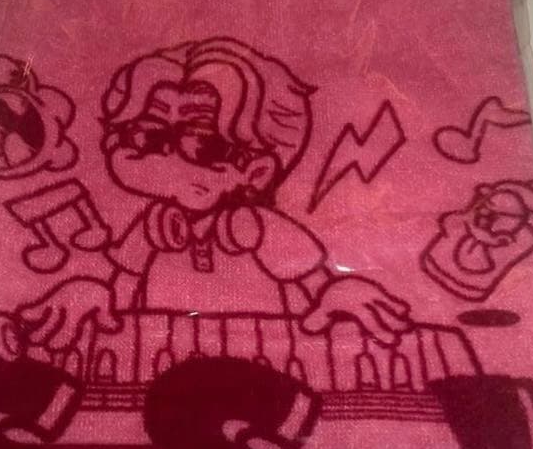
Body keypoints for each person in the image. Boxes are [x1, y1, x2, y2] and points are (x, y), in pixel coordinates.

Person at [20, 37, 410, 355]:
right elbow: (121, 286)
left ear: (257, 172)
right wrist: (92, 293)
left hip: (265, 365)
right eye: (146, 136)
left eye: (200, 144)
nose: (164, 157)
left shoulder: (255, 229)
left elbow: (313, 281)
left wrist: (340, 291)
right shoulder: (155, 227)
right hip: (157, 361)